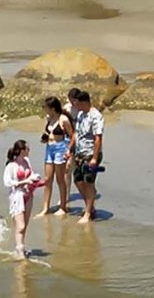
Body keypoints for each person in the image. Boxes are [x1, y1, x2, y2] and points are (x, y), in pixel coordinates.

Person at [67, 87, 106, 219]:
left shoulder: (96, 116)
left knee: (88, 182)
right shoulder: (80, 115)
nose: (75, 106)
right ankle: (90, 206)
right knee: (77, 180)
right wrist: (70, 149)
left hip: (90, 153)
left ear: (85, 102)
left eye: (77, 104)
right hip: (79, 153)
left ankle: (88, 212)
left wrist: (94, 158)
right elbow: (76, 134)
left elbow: (98, 138)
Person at [1, 138, 41, 256]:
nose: (29, 150)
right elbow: (7, 182)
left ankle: (21, 245)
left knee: (25, 225)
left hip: (28, 194)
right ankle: (19, 248)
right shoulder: (11, 166)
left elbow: (31, 173)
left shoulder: (27, 161)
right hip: (17, 195)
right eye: (27, 148)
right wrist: (24, 181)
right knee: (20, 225)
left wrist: (34, 178)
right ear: (21, 150)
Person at [39, 96, 73, 215]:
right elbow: (47, 132)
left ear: (52, 108)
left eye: (46, 107)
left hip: (60, 148)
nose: (45, 109)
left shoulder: (63, 119)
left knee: (60, 179)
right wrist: (44, 138)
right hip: (49, 148)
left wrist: (69, 151)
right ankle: (45, 207)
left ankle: (63, 207)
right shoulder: (49, 119)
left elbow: (72, 135)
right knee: (48, 179)